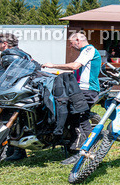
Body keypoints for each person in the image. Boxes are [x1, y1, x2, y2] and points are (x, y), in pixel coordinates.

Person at [43, 31, 101, 165]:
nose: (71, 46)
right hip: (80, 90)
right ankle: (74, 147)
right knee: (73, 117)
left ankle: (85, 150)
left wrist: (53, 65)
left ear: (78, 41)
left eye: (71, 43)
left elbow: (75, 66)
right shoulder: (84, 53)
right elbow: (74, 70)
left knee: (80, 119)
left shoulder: (89, 50)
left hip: (87, 90)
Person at [0, 33, 33, 161]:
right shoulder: (24, 54)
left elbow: (5, 76)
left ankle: (17, 152)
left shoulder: (9, 56)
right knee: (14, 121)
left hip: (8, 93)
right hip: (17, 91)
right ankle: (11, 150)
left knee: (9, 122)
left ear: (5, 43)